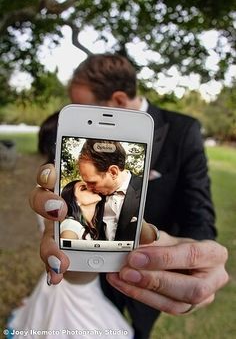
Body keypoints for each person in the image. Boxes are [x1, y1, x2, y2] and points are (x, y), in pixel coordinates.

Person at [29, 54, 229, 339]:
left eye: (82, 105)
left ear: (119, 101)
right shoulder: (75, 142)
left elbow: (198, 214)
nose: (72, 112)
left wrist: (196, 258)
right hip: (83, 273)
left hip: (145, 277)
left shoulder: (184, 130)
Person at [7, 113, 135, 339]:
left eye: (89, 183)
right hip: (72, 283)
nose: (90, 187)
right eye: (84, 187)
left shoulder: (104, 207)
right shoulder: (67, 219)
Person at [78, 139, 142, 241]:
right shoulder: (92, 199)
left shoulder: (148, 190)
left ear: (113, 172)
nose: (88, 188)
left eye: (92, 182)